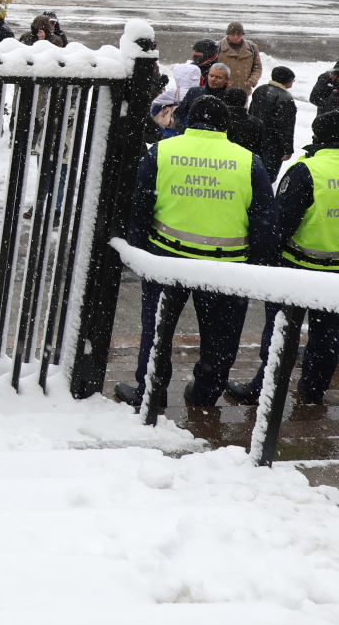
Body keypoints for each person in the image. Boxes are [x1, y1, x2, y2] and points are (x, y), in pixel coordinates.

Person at [115, 96, 276, 411]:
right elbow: (264, 221)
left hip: (167, 259)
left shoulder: (162, 153)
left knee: (158, 330)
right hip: (227, 267)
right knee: (220, 338)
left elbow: (139, 207)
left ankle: (151, 390)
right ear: (226, 125)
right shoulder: (248, 161)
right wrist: (260, 265)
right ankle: (206, 392)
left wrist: (141, 250)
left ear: (188, 120)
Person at [224, 109, 339, 405]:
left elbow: (281, 222)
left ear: (319, 137)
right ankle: (313, 390)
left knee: (280, 332)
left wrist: (266, 260)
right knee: (328, 337)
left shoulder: (308, 170)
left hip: (296, 266)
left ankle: (266, 388)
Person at [248, 66, 298, 174]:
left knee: (252, 171)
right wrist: (288, 149)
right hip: (273, 145)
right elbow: (287, 127)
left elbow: (251, 113)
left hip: (255, 140)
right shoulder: (285, 99)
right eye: (292, 79)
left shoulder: (260, 90)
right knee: (267, 174)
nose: (293, 81)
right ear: (286, 80)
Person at [216, 23, 263, 90]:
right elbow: (212, 69)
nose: (236, 37)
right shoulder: (218, 47)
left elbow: (257, 67)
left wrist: (252, 81)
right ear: (228, 34)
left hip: (244, 90)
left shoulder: (252, 47)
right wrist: (222, 82)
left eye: (239, 34)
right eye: (233, 34)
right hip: (223, 90)